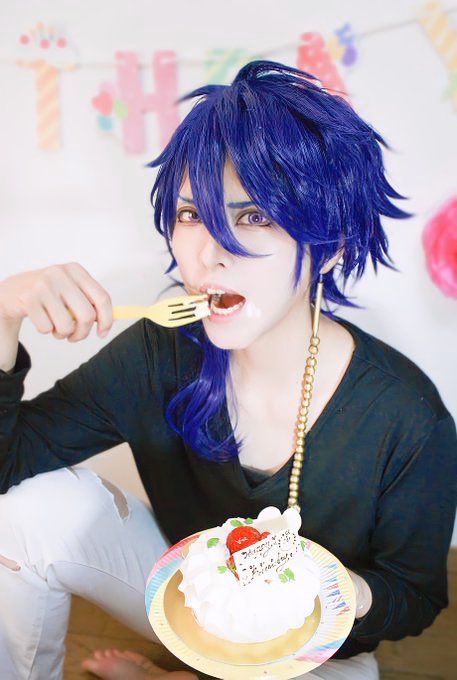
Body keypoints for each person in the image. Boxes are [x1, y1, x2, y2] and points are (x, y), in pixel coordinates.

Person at [0, 60, 455, 680]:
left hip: (309, 643)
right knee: (25, 507)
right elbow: (7, 463)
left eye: (254, 216)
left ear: (333, 246)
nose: (210, 253)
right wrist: (4, 314)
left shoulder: (406, 416)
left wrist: (328, 588)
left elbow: (413, 597)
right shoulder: (159, 353)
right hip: (188, 598)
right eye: (192, 214)